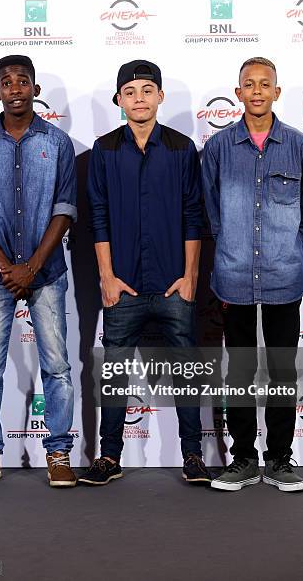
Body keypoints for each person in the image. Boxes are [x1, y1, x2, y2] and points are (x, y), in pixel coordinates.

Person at [81, 59, 209, 485]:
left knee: (187, 373)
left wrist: (190, 277)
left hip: (174, 283)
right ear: (120, 100)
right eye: (130, 91)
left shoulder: (181, 148)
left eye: (147, 89)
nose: (139, 98)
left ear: (159, 97)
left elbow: (194, 214)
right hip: (124, 285)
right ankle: (109, 457)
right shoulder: (104, 149)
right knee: (115, 375)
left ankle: (193, 456)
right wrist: (106, 277)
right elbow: (97, 215)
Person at [0, 55, 77, 488]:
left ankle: (59, 453)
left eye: (22, 81)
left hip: (46, 274)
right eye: (6, 83)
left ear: (35, 89)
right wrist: (8, 267)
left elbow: (65, 210)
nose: (15, 89)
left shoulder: (59, 143)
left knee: (58, 368)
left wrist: (32, 267)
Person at [202, 56, 303, 492]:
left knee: (282, 370)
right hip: (232, 276)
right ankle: (244, 460)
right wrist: (233, 251)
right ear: (238, 93)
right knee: (239, 371)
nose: (256, 91)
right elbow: (210, 212)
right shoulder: (217, 148)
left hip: (284, 278)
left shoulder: (299, 146)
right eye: (248, 84)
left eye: (264, 84)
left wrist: (283, 252)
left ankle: (280, 460)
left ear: (276, 91)